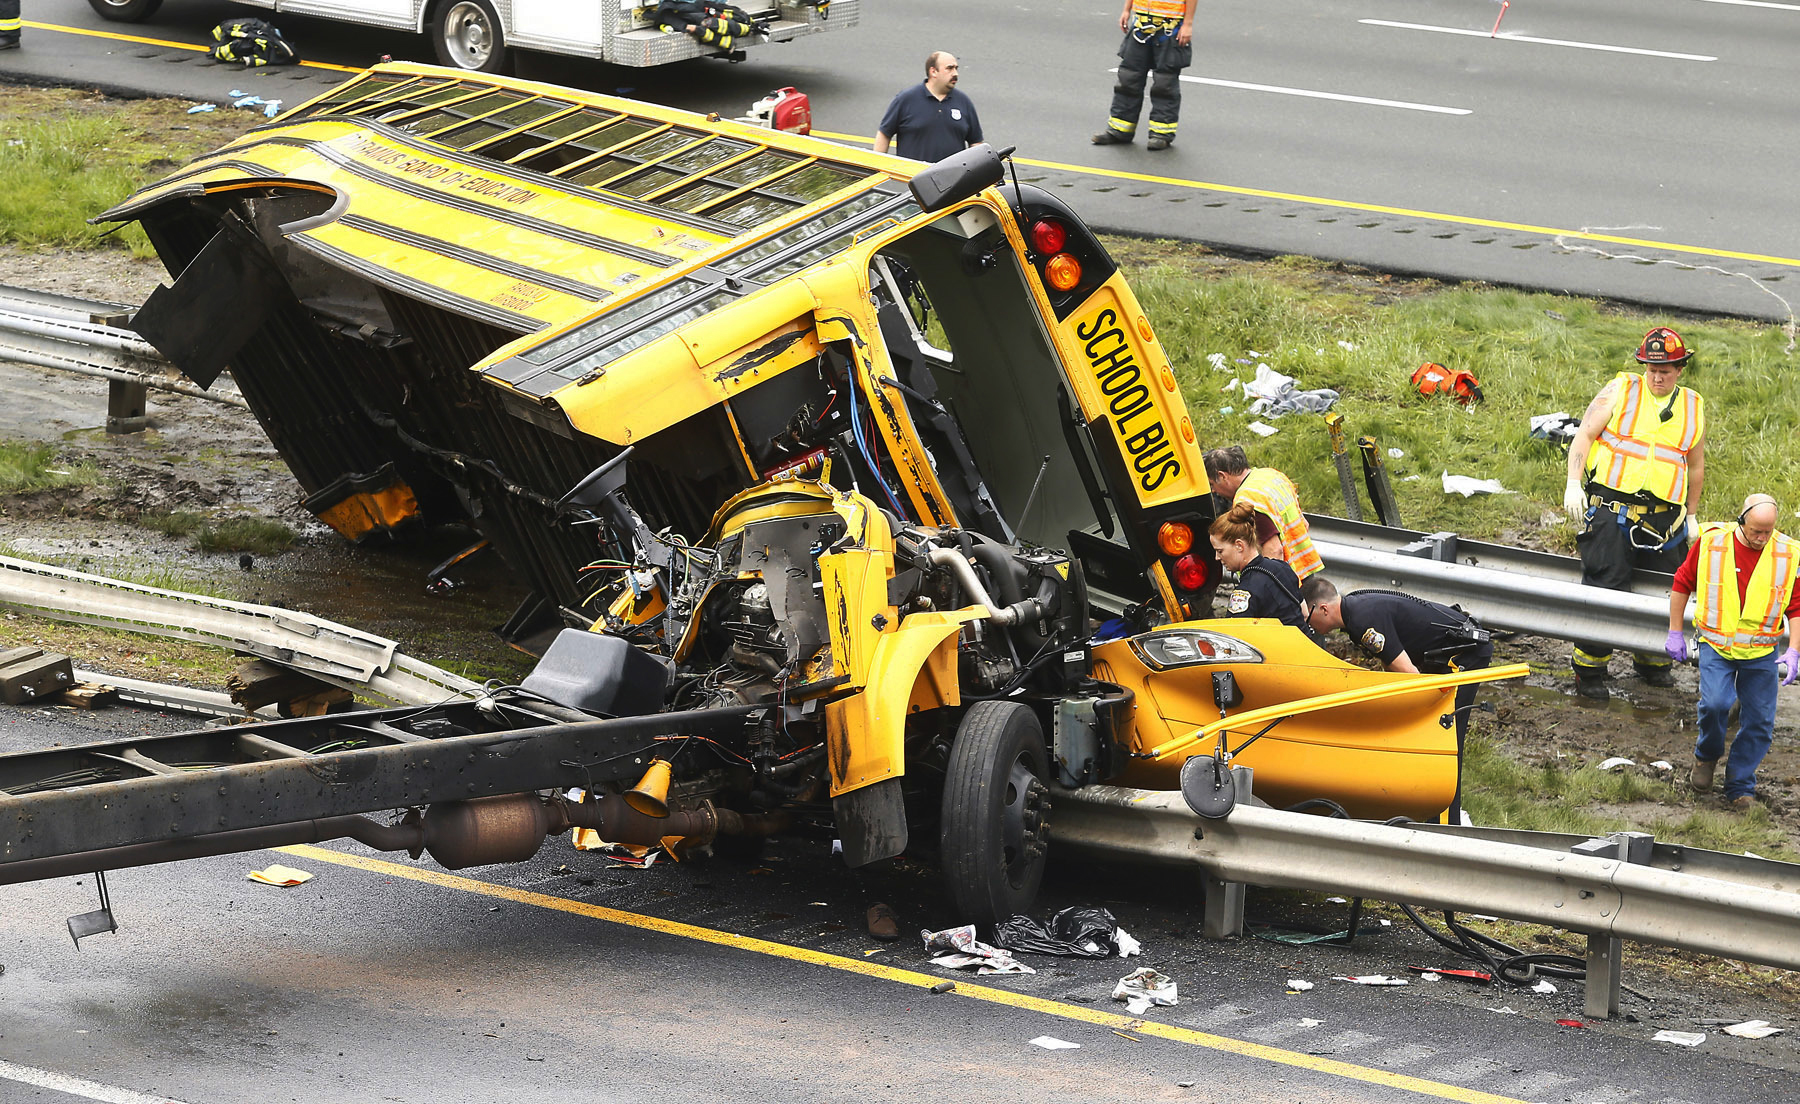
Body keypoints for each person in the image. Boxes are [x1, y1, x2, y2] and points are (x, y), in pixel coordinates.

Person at [1563, 326, 1706, 701]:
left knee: (1664, 590)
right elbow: (1585, 435)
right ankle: (1590, 670)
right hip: (1613, 511)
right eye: (1651, 369)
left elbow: (1695, 466)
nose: (1657, 377)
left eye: (1666, 370)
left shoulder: (1692, 406)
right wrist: (1573, 483)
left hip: (1664, 520)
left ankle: (1652, 663)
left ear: (1680, 368)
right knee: (1605, 586)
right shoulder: (1622, 389)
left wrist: (1691, 515)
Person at [1300, 576, 1493, 822]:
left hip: (1464, 654)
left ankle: (1447, 821)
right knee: (1431, 738)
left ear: (1323, 609)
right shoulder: (1355, 610)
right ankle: (1428, 812)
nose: (1310, 626)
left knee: (1445, 739)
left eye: (1308, 618)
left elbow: (1410, 675)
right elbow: (1393, 664)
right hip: (1441, 655)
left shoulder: (1362, 621)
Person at [1665, 494, 1800, 811]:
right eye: (1755, 532)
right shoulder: (1713, 542)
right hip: (1717, 645)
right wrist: (1674, 631)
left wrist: (1794, 650)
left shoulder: (1787, 553)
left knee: (1760, 722)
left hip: (1761, 651)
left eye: (1767, 532)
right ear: (1742, 522)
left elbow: (1796, 607)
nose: (1761, 539)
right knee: (1716, 704)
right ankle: (1706, 756)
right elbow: (1682, 582)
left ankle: (1739, 786)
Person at [1203, 445, 1323, 582]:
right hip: (1303, 568)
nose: (1213, 491)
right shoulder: (1272, 476)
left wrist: (1268, 588)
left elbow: (1274, 550)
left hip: (1287, 581)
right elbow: (1304, 524)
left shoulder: (1248, 498)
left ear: (1222, 476)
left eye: (1212, 484)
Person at [1091, 0, 1196, 151]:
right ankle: (1120, 130)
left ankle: (1161, 134)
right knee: (1129, 79)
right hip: (1141, 25)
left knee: (1164, 84)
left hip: (1169, 28)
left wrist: (1187, 24)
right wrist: (1126, 10)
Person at [1208, 503, 1314, 638]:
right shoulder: (1282, 568)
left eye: (1220, 551)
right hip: (1306, 648)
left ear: (1239, 546)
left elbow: (1235, 639)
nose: (1217, 558)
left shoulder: (1244, 593)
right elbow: (1304, 614)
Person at [874, 52, 982, 164]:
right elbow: (884, 134)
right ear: (933, 71)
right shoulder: (906, 99)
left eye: (956, 68)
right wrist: (876, 168)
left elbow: (976, 143)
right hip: (912, 177)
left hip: (952, 179)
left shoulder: (963, 102)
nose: (955, 73)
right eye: (949, 68)